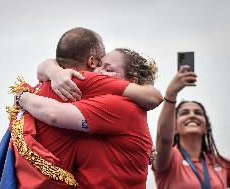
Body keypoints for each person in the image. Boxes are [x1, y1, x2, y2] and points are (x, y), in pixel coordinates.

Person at [16, 47, 161, 188]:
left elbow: (54, 114)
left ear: (133, 82)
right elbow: (49, 65)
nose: (98, 72)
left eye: (108, 70)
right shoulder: (120, 106)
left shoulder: (120, 106)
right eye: (99, 66)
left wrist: (21, 97)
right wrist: (54, 71)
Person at [152, 65, 230, 189]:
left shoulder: (221, 163)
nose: (192, 116)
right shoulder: (169, 159)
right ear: (175, 127)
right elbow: (164, 139)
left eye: (198, 113)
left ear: (206, 127)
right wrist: (171, 93)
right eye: (184, 113)